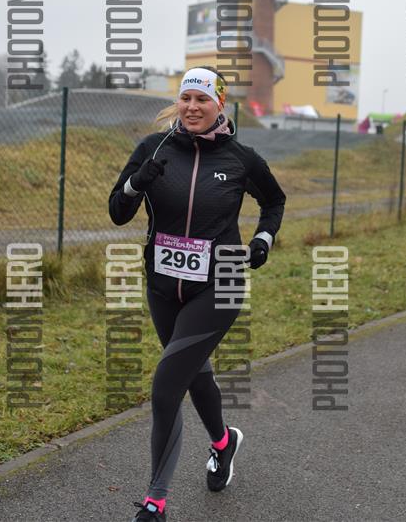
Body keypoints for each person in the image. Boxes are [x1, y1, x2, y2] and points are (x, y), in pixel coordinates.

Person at [109, 66, 286, 522]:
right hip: (163, 284)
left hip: (220, 282)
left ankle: (155, 501)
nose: (192, 107)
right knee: (192, 373)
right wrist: (135, 183)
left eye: (202, 99)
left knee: (167, 385)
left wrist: (263, 239)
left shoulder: (241, 159)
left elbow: (274, 200)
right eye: (186, 97)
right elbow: (118, 212)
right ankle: (224, 442)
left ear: (219, 104)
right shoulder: (153, 149)